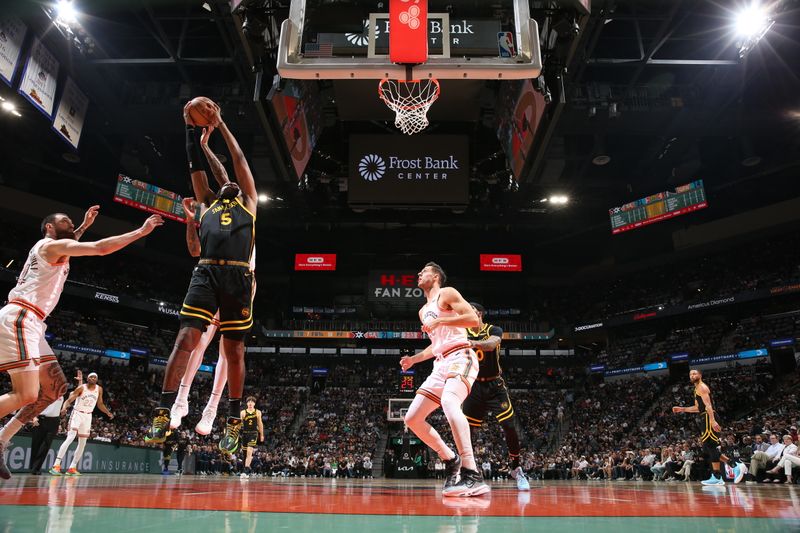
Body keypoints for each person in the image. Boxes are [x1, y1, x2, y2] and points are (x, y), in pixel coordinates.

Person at [0, 207, 162, 479]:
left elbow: (71, 242)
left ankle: (3, 439)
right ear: (49, 227)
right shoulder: (51, 245)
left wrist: (83, 227)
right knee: (26, 394)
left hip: (34, 323)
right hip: (21, 317)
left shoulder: (56, 247)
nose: (71, 222)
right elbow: (100, 249)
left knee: (55, 389)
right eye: (64, 220)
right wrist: (141, 231)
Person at [146, 101, 258, 456]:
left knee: (234, 350)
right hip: (207, 271)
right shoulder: (206, 203)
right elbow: (196, 165)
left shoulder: (249, 201)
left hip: (238, 276)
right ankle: (164, 410)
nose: (228, 183)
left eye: (231, 182)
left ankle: (233, 418)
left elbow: (237, 162)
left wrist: (220, 125)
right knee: (186, 339)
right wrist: (191, 132)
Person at [400, 262, 489, 497]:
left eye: (424, 271)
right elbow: (436, 345)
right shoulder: (422, 310)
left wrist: (441, 321)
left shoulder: (447, 293)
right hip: (440, 363)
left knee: (450, 402)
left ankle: (472, 474)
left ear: (436, 276)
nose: (419, 274)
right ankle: (451, 459)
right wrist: (414, 359)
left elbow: (473, 320)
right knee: (412, 418)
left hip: (461, 354)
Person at [462, 302, 529, 490]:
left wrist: (473, 343)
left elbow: (491, 345)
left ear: (480, 313)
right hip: (474, 385)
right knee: (467, 432)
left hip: (494, 385)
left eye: (471, 310)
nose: (467, 312)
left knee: (509, 426)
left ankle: (516, 469)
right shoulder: (462, 332)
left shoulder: (494, 329)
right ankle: (468, 472)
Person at [50, 372, 114, 475]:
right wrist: (64, 408)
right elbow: (69, 400)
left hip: (88, 416)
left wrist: (107, 412)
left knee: (83, 443)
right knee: (70, 438)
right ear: (87, 378)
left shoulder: (99, 389)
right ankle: (56, 465)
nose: (93, 378)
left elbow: (100, 404)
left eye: (95, 377)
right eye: (91, 377)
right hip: (77, 414)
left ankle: (72, 467)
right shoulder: (81, 388)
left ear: (97, 379)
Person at [672, 369, 724, 486]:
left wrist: (712, 420)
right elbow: (697, 408)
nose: (692, 375)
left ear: (700, 375)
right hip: (704, 416)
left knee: (710, 446)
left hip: (708, 417)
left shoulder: (702, 387)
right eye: (690, 374)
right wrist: (683, 409)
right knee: (707, 449)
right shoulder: (696, 389)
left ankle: (717, 476)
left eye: (694, 373)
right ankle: (733, 465)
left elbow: (708, 405)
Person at [28, 370, 83, 475]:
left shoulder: (62, 394)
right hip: (40, 419)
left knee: (46, 445)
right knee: (36, 444)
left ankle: (36, 468)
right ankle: (32, 467)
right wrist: (34, 417)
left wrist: (80, 381)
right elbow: (34, 404)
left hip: (54, 421)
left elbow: (77, 393)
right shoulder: (43, 391)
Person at [239, 396, 264, 479]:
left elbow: (260, 424)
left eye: (252, 402)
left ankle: (245, 471)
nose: (250, 403)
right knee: (245, 454)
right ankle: (245, 470)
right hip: (244, 434)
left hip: (253, 433)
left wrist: (262, 434)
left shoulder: (258, 412)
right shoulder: (243, 412)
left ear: (254, 403)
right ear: (246, 403)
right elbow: (239, 424)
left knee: (250, 451)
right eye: (248, 401)